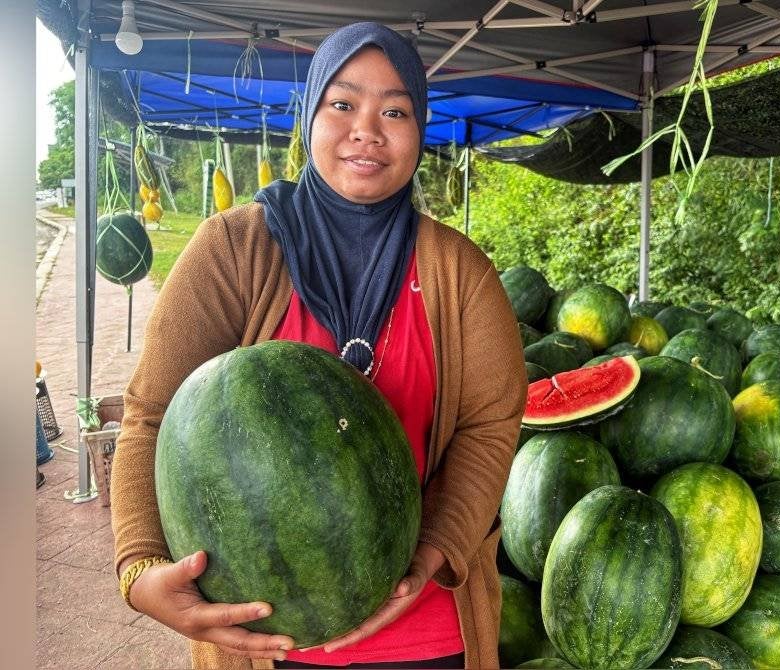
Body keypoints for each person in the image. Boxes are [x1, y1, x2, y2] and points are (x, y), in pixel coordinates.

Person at [110, 22, 526, 670]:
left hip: (425, 634)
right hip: (261, 639)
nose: (368, 128)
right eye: (343, 104)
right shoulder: (233, 250)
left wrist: (435, 550)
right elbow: (153, 414)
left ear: (419, 131)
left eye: (395, 109)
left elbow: (489, 426)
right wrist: (138, 567)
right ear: (309, 117)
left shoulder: (460, 272)